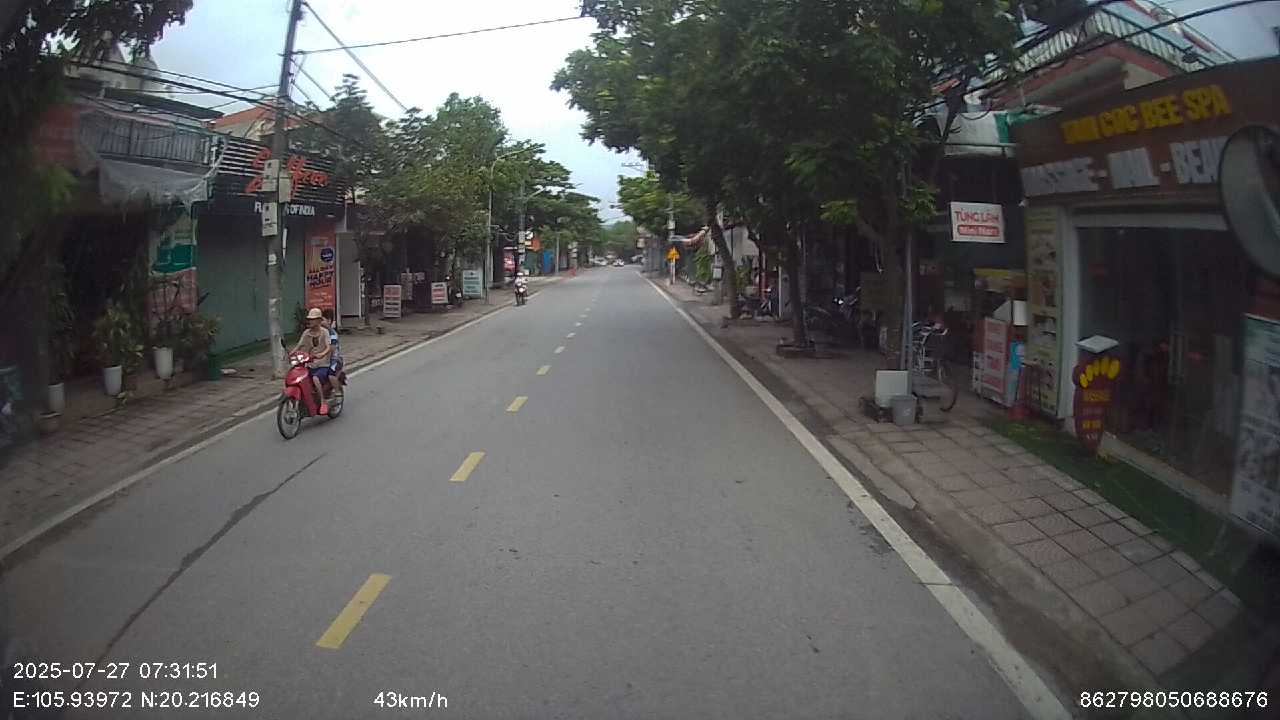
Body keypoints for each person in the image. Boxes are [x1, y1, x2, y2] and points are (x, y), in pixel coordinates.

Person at [292, 308, 332, 415]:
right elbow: (299, 345)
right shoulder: (306, 333)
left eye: (313, 319)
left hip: (322, 363)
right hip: (309, 363)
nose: (310, 321)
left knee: (315, 378)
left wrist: (322, 354)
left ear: (319, 320)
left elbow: (328, 347)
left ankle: (323, 402)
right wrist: (291, 353)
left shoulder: (324, 332)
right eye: (310, 319)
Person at [321, 308, 343, 398]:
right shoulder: (320, 333)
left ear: (329, 321)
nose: (320, 322)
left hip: (334, 360)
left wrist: (321, 354)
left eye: (322, 320)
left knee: (330, 374)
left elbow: (332, 349)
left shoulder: (332, 334)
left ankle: (337, 392)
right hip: (322, 359)